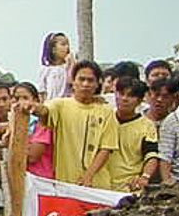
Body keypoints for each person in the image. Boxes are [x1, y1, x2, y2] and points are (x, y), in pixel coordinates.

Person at [30, 60, 118, 189]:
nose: (85, 84)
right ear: (73, 81)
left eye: (90, 80)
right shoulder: (60, 105)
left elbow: (106, 148)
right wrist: (34, 108)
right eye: (81, 79)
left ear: (97, 83)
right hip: (66, 183)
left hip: (97, 184)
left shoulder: (107, 111)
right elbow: (45, 112)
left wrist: (89, 174)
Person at [105, 78, 158, 193]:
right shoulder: (104, 117)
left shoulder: (147, 126)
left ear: (139, 101)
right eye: (121, 94)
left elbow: (151, 156)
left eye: (130, 96)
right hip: (100, 184)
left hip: (129, 187)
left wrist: (145, 177)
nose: (124, 99)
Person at [37, 32, 72, 101]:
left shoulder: (68, 67)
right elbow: (42, 92)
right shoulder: (46, 69)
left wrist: (71, 64)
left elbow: (72, 83)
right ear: (53, 49)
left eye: (68, 45)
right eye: (63, 44)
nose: (67, 47)